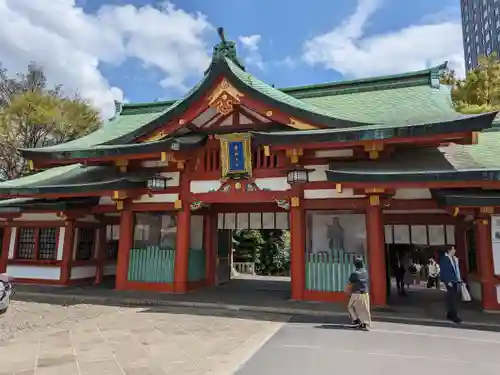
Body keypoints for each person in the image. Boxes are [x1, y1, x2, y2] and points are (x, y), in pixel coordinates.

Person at [346, 258, 371, 330]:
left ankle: (356, 320)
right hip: (365, 293)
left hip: (357, 294)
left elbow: (350, 282)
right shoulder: (365, 272)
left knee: (350, 307)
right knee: (365, 309)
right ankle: (364, 323)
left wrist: (347, 291)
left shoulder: (355, 273)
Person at [439, 247, 462, 323]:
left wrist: (459, 279)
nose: (454, 250)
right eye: (453, 249)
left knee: (453, 298)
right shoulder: (444, 259)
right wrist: (447, 281)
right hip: (450, 281)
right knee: (452, 299)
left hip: (456, 280)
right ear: (449, 250)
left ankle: (450, 313)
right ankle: (454, 316)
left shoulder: (455, 259)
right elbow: (443, 271)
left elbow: (457, 270)